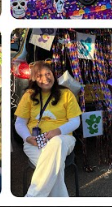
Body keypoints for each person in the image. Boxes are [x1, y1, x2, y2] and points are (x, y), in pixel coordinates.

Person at [14, 61, 81, 197]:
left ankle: (32, 197)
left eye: (48, 74)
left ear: (53, 75)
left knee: (56, 143)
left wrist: (58, 131)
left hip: (63, 139)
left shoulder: (66, 94)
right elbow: (20, 123)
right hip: (34, 142)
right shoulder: (29, 95)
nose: (45, 78)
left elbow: (76, 121)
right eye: (40, 76)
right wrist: (27, 137)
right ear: (34, 79)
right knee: (54, 169)